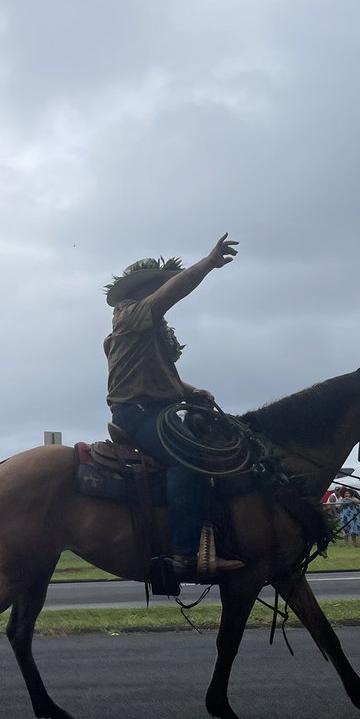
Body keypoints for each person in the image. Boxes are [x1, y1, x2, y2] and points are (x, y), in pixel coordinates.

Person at [103, 233, 245, 580]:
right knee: (186, 457)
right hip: (138, 412)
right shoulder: (132, 316)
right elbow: (172, 293)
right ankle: (186, 554)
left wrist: (193, 390)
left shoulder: (145, 332)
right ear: (139, 293)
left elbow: (160, 377)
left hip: (154, 408)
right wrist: (208, 263)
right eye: (153, 286)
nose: (158, 291)